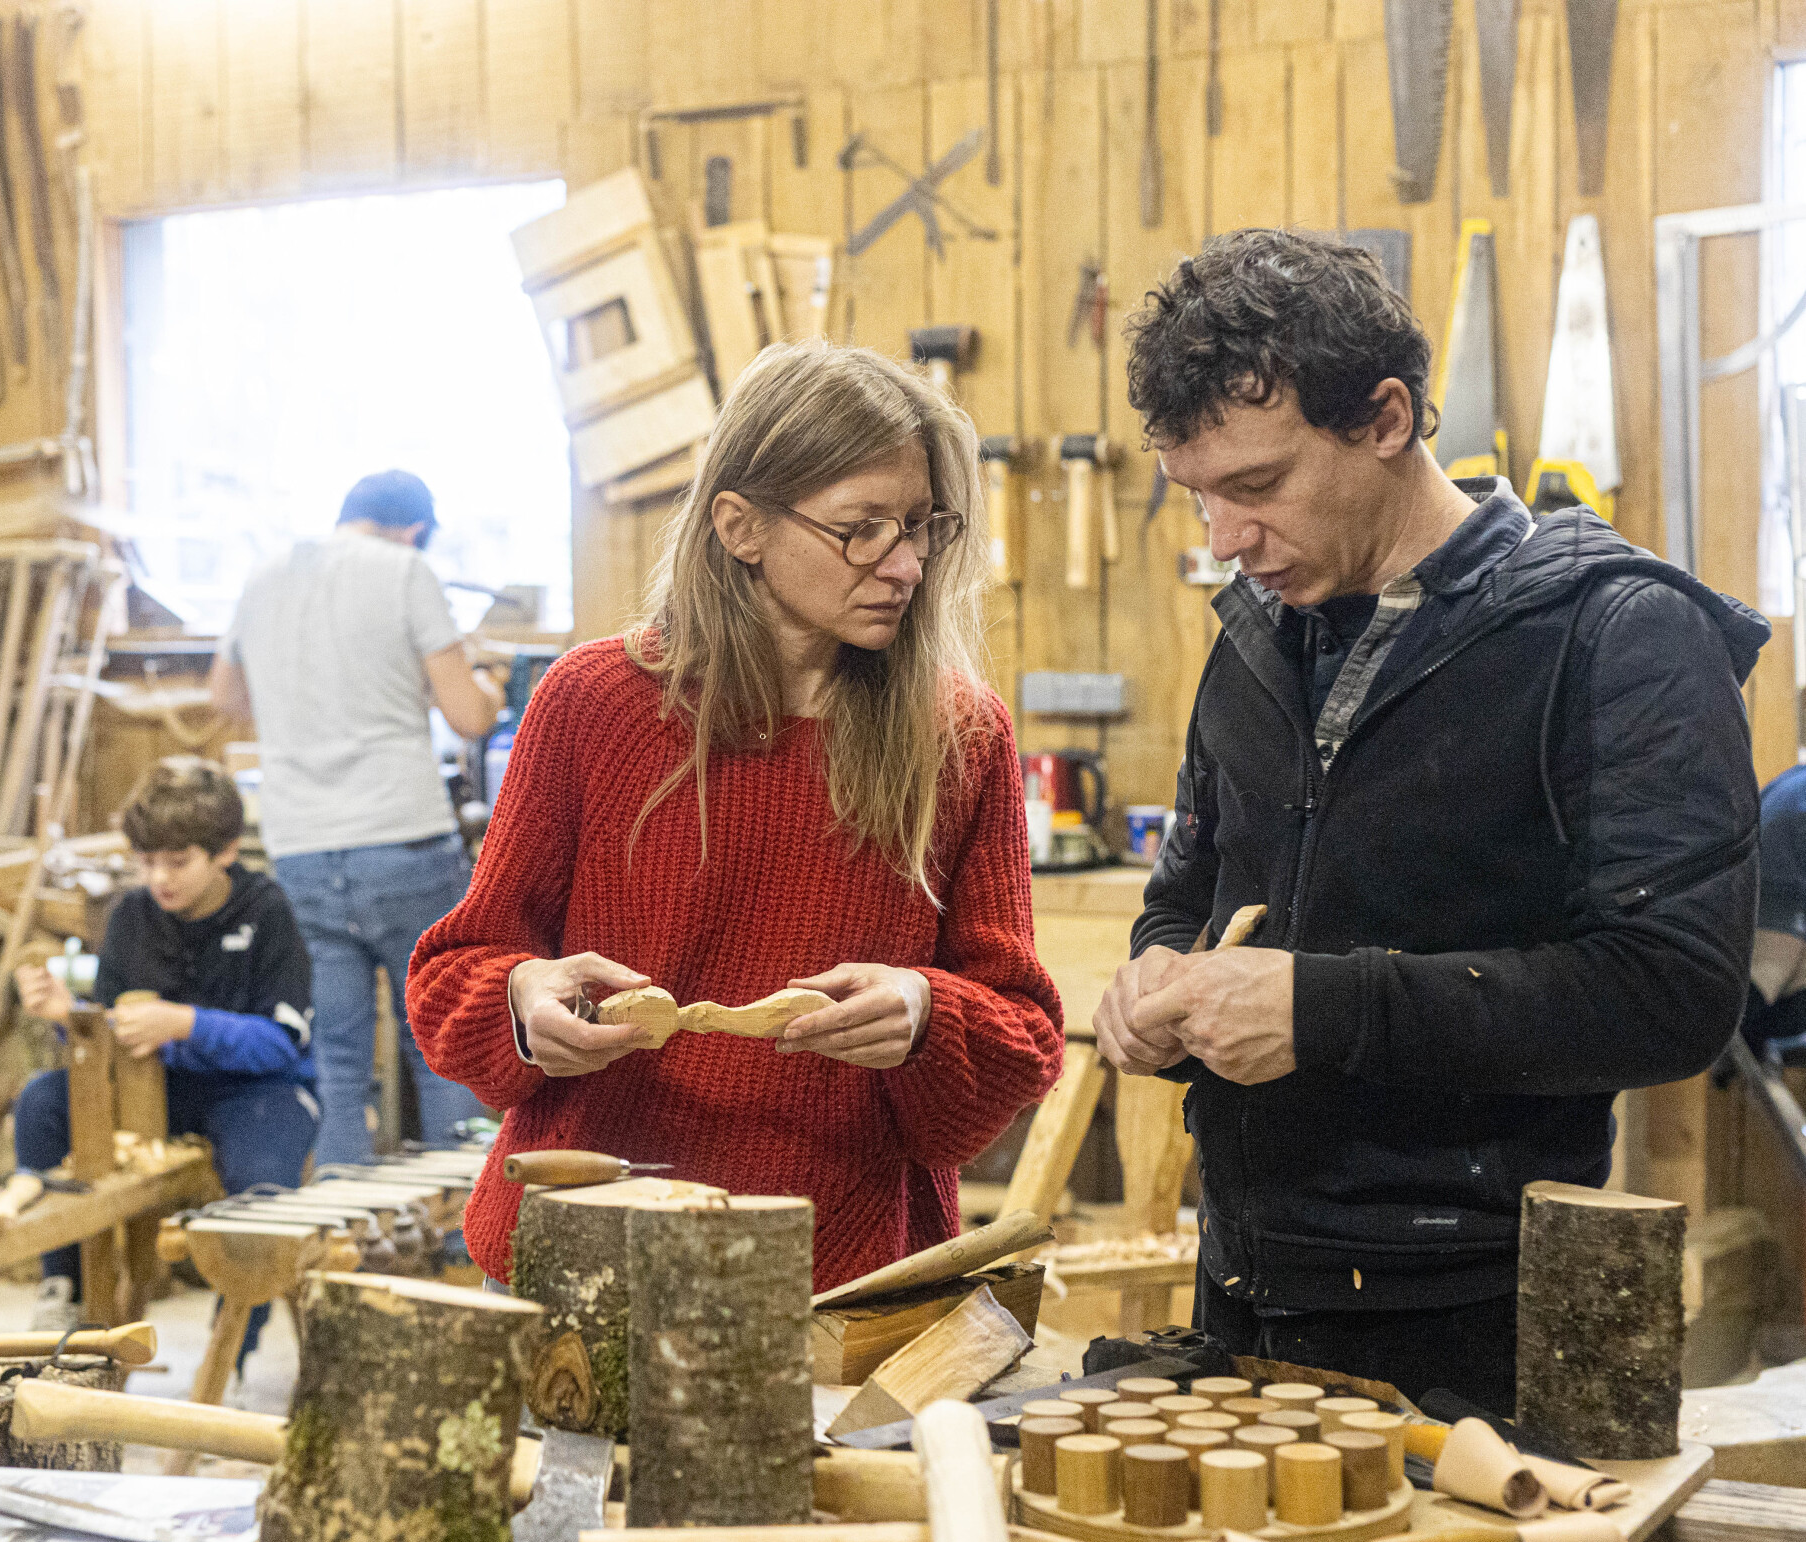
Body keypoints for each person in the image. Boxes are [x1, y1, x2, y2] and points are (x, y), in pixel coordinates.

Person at [1097, 229, 1763, 1414]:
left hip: (1484, 1317)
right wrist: (1153, 977)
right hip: (1244, 1284)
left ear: (1386, 418)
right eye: (1197, 496)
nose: (1224, 538)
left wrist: (1320, 1007)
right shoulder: (1254, 638)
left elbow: (1673, 994)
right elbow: (1188, 893)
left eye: (1254, 486)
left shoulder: (1614, 632)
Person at [406, 343, 1063, 1292]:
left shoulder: (958, 735)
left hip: (837, 1279)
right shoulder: (594, 702)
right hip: (588, 1254)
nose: (908, 564)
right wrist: (523, 1002)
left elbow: (1021, 1028)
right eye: (862, 528)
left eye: (921, 526)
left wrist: (926, 1011)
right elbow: (453, 972)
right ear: (740, 525)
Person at [211, 470, 503, 1166]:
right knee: (439, 1041)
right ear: (414, 530)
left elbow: (225, 696)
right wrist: (488, 681)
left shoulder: (264, 574)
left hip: (301, 845)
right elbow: (467, 714)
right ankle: (457, 1240)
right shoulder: (406, 571)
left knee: (338, 1057)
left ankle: (348, 1235)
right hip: (400, 835)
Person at [6, 757, 317, 1340]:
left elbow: (283, 1044)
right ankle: (64, 1288)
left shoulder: (268, 911)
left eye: (178, 862)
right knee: (44, 1103)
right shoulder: (132, 917)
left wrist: (186, 1024)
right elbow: (108, 1032)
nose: (160, 879)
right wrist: (66, 1016)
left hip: (256, 1090)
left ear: (225, 851)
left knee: (260, 1182)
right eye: (147, 863)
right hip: (159, 1090)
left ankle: (238, 1335)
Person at [1743, 765, 1806, 1054]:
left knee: (1768, 985)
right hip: (1780, 874)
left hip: (1765, 866)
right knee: (1767, 979)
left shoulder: (1797, 778)